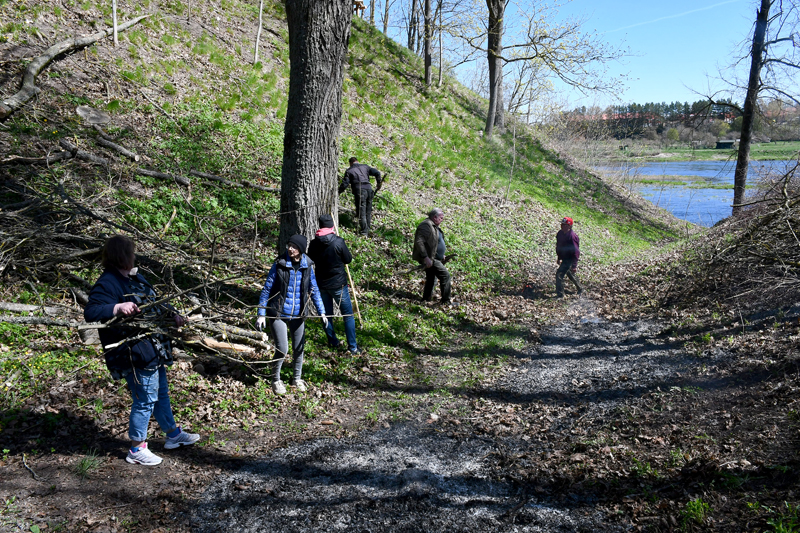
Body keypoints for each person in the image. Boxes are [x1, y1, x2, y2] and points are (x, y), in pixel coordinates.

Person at [84, 235, 200, 466]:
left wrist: (172, 314)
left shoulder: (136, 277)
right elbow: (91, 311)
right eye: (131, 253)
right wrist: (117, 307)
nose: (134, 256)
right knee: (145, 399)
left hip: (152, 349)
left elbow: (156, 303)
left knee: (161, 394)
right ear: (122, 256)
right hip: (134, 352)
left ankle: (173, 435)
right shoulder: (108, 282)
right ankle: (137, 448)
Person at [256, 234, 328, 395]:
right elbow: (266, 289)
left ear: (301, 250)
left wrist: (322, 312)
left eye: (294, 247)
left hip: (298, 314)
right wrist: (261, 313)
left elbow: (314, 290)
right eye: (289, 245)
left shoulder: (307, 267)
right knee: (282, 348)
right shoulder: (279, 265)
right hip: (278, 313)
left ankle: (297, 378)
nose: (290, 249)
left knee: (299, 348)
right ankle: (276, 380)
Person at [307, 214, 359, 354]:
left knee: (326, 315)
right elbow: (348, 259)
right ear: (332, 226)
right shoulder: (338, 242)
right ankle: (353, 347)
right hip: (338, 285)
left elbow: (310, 258)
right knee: (347, 315)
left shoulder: (314, 243)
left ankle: (332, 341)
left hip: (322, 285)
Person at [412, 208, 451, 304]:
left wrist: (441, 254)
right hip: (430, 258)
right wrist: (425, 257)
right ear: (435, 217)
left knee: (431, 278)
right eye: (441, 218)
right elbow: (419, 241)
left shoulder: (434, 226)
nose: (442, 220)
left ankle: (426, 298)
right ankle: (446, 301)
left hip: (434, 257)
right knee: (445, 276)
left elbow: (434, 243)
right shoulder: (426, 225)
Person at [338, 156, 383, 236]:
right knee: (368, 211)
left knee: (361, 211)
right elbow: (377, 173)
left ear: (350, 163)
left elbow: (345, 184)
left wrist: (338, 192)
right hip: (369, 189)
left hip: (359, 191)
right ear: (357, 161)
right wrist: (379, 183)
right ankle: (367, 229)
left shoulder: (349, 171)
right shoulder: (365, 167)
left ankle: (364, 232)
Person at [555, 217, 583, 298]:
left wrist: (574, 265)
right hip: (564, 257)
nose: (562, 226)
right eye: (562, 224)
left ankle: (560, 295)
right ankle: (580, 288)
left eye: (565, 225)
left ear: (569, 226)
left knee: (559, 275)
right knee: (570, 273)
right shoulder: (560, 233)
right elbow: (559, 246)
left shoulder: (572, 237)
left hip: (570, 259)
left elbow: (576, 252)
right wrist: (559, 257)